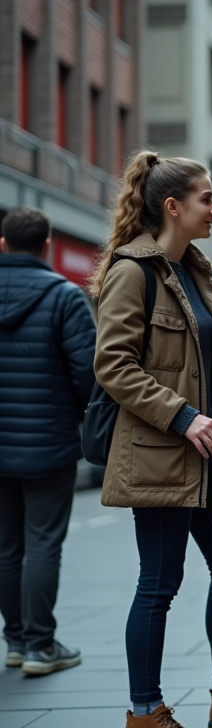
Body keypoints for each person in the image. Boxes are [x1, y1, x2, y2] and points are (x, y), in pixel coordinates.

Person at [90, 152, 212, 728]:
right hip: (159, 453)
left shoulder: (193, 269)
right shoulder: (132, 271)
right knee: (160, 582)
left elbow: (211, 365)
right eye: (206, 199)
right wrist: (186, 417)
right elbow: (114, 365)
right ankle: (144, 717)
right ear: (172, 207)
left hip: (204, 453)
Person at [0, 208, 95, 676]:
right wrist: (75, 418)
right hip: (49, 444)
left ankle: (15, 641)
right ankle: (41, 645)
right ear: (46, 245)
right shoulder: (64, 297)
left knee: (5, 546)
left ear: (3, 245)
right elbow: (87, 375)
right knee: (42, 543)